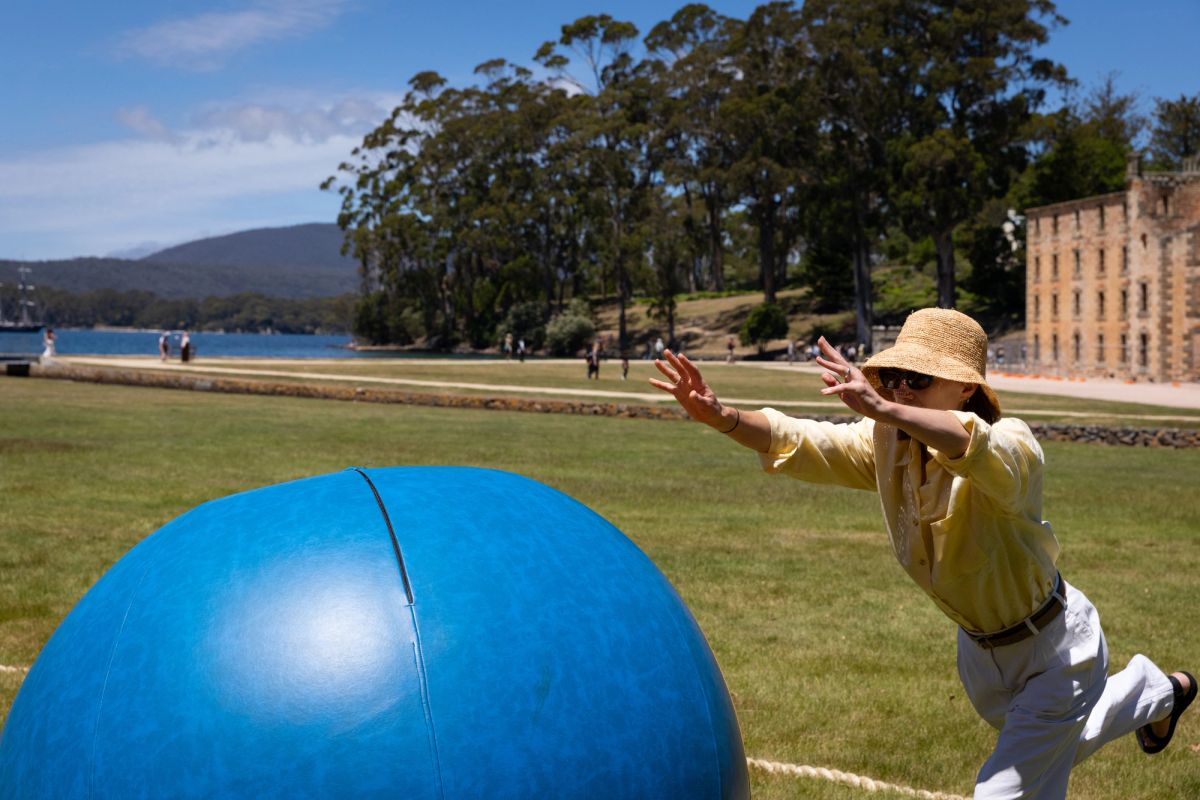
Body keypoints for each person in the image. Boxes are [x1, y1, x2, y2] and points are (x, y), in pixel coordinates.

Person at [650, 307, 1194, 800]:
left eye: (918, 378)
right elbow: (803, 439)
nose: (901, 390)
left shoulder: (1014, 446)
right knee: (1057, 749)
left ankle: (1152, 691)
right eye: (892, 377)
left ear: (963, 389)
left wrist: (883, 404)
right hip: (981, 656)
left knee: (1003, 792)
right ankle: (1159, 692)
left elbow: (971, 443)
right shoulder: (885, 441)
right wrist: (722, 416)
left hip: (1055, 648)